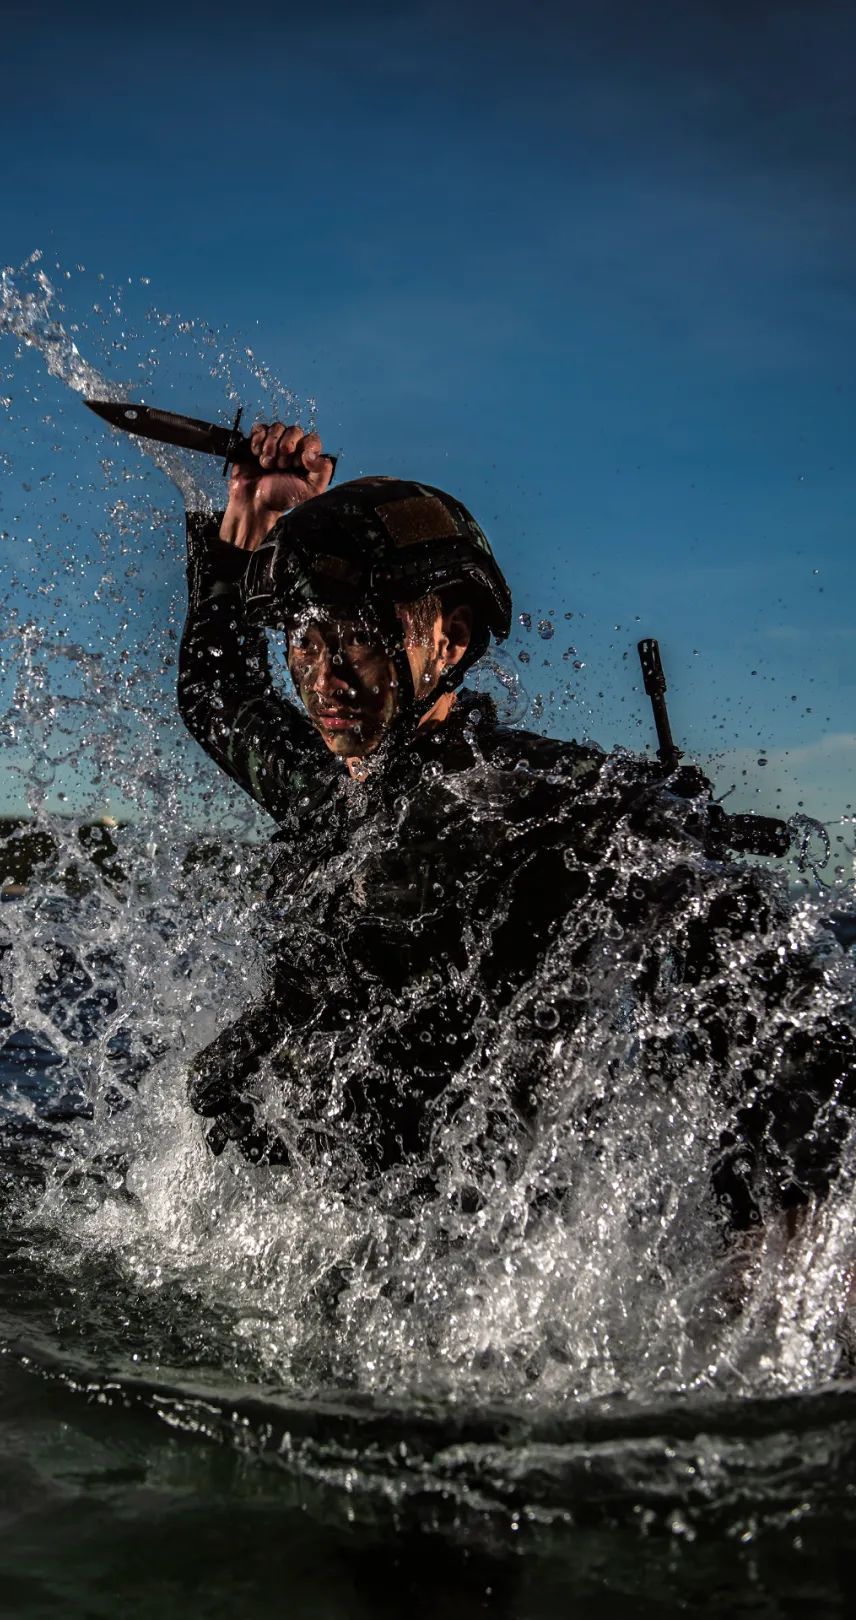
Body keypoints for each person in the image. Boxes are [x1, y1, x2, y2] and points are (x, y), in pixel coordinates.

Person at [176, 421, 853, 1228]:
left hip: (458, 1250)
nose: (325, 678)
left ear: (451, 639)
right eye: (306, 641)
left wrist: (781, 1216)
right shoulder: (328, 791)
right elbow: (216, 693)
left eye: (356, 639)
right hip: (299, 1224)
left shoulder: (529, 802)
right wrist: (248, 523)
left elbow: (742, 951)